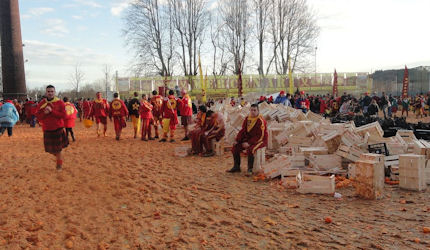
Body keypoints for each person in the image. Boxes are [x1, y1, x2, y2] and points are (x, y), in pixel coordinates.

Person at [227, 104, 268, 175]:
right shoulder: (247, 118)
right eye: (251, 110)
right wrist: (237, 140)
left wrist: (249, 143)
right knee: (235, 147)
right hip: (249, 139)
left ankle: (250, 169)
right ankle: (236, 167)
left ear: (258, 111)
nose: (252, 112)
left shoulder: (260, 121)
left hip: (260, 140)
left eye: (254, 110)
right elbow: (243, 131)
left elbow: (260, 136)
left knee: (250, 149)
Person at [35, 85, 68, 170]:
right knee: (50, 150)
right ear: (46, 92)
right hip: (47, 129)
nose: (50, 93)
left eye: (52, 91)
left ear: (54, 92)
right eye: (48, 91)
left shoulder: (60, 102)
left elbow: (64, 116)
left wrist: (52, 111)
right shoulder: (42, 103)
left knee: (59, 149)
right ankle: (59, 158)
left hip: (58, 128)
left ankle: (59, 165)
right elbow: (38, 116)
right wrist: (44, 113)